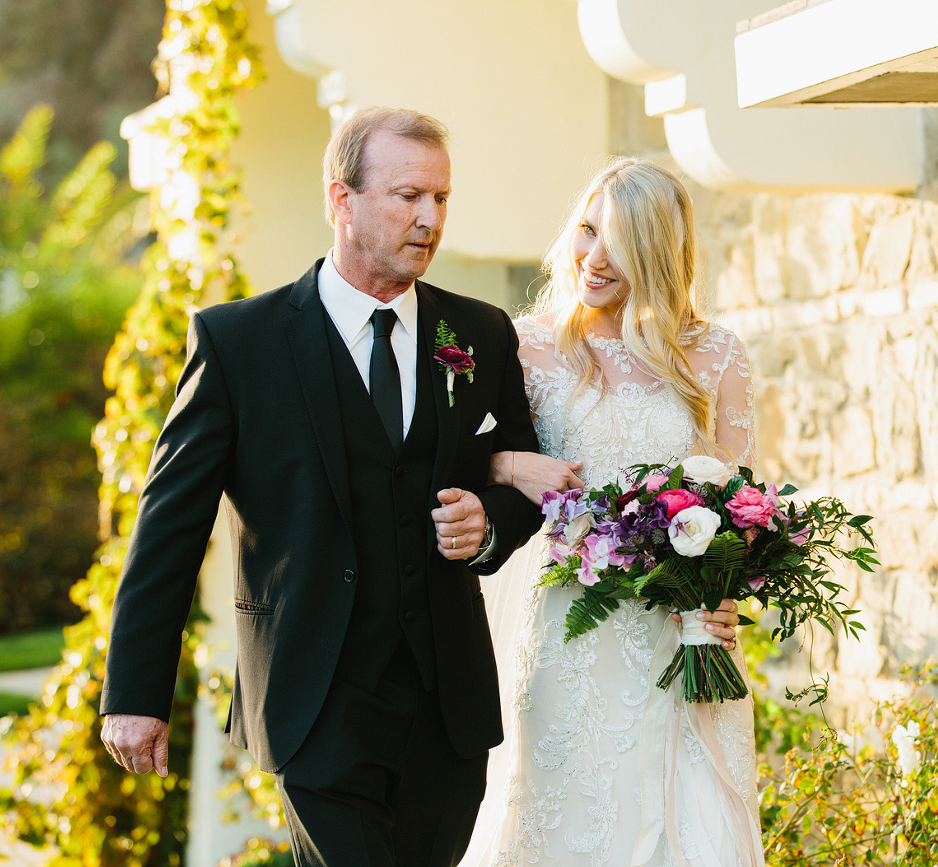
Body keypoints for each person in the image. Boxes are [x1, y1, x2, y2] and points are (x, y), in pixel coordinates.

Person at [98, 107, 546, 866]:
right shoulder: (238, 342)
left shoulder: (478, 334)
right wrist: (136, 692)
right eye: (407, 196)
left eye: (441, 198)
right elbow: (171, 522)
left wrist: (491, 522)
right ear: (341, 201)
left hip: (447, 703)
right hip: (314, 695)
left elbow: (522, 466)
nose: (429, 218)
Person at [461, 158, 765, 867]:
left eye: (618, 241)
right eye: (586, 230)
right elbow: (447, 460)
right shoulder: (529, 345)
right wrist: (506, 465)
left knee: (693, 824)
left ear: (658, 250)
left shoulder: (716, 355)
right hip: (570, 627)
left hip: (684, 635)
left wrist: (725, 592)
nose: (591, 258)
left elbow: (743, 505)